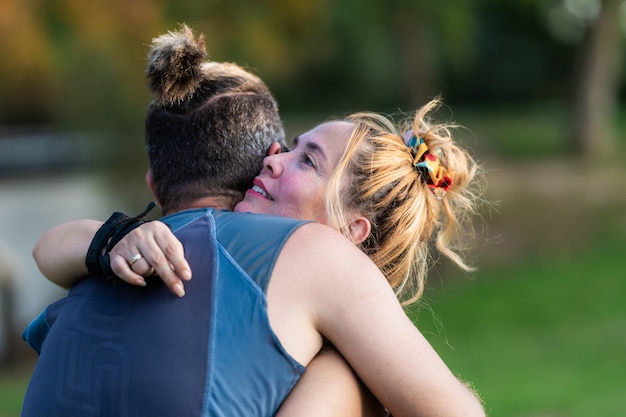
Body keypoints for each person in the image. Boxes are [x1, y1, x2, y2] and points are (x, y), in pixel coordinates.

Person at [25, 25, 486, 417]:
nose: (276, 159)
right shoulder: (304, 256)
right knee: (351, 371)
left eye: (307, 161)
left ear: (354, 228)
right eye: (289, 146)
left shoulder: (113, 263)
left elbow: (48, 250)